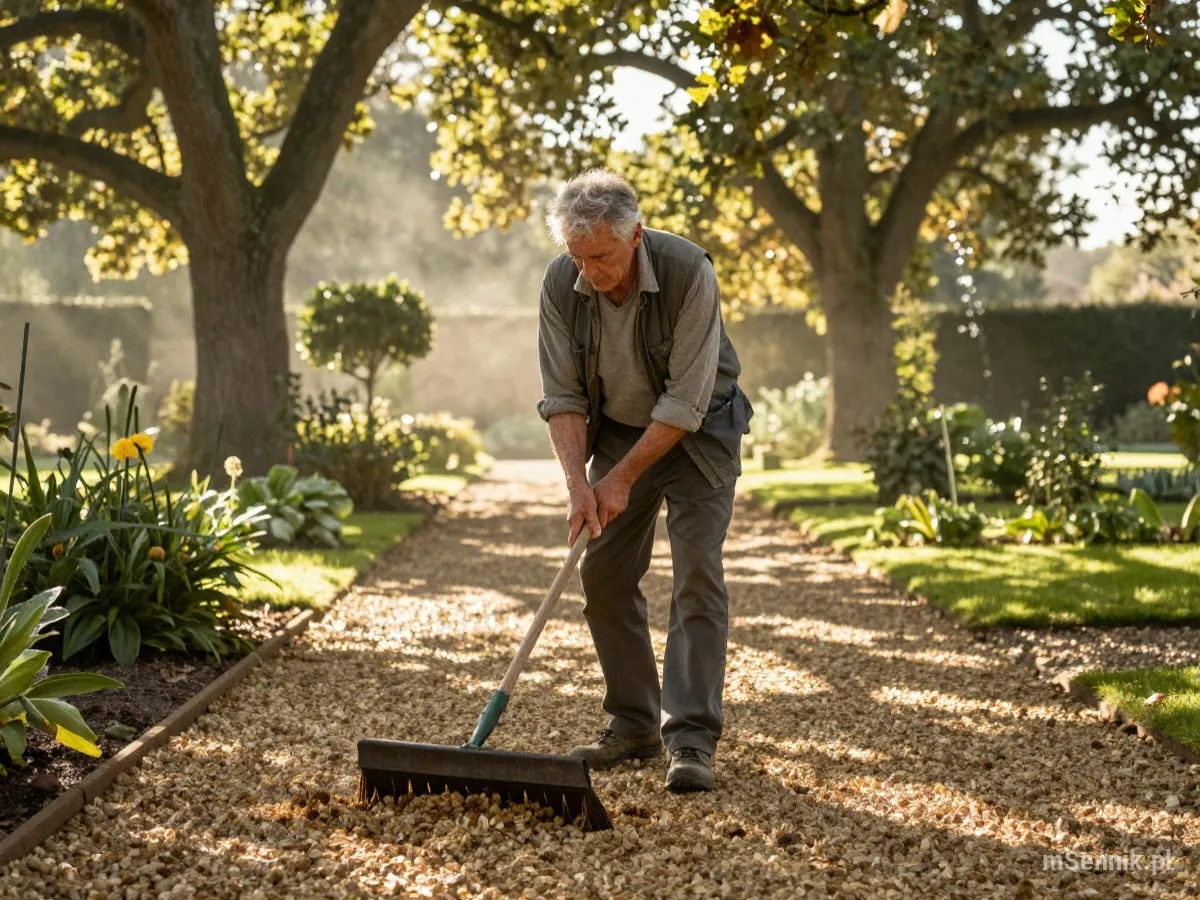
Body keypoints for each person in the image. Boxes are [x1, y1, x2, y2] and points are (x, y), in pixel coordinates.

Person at [535, 168, 753, 793]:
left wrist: (623, 478)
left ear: (634, 238)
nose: (588, 273)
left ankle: (689, 738)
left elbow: (686, 400)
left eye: (599, 257)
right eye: (577, 257)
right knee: (600, 572)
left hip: (699, 435)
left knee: (696, 573)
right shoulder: (562, 282)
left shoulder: (689, 272)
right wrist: (581, 485)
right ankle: (631, 723)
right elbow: (562, 394)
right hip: (621, 433)